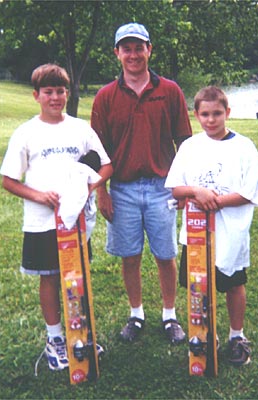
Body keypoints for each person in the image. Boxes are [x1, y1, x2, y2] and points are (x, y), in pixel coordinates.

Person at [0, 64, 113, 371]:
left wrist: (90, 188)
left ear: (68, 93)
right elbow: (9, 180)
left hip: (75, 223)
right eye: (48, 92)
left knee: (77, 277)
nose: (55, 97)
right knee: (50, 278)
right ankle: (55, 340)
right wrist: (41, 197)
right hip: (42, 222)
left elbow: (106, 166)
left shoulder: (81, 129)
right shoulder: (26, 132)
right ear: (36, 95)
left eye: (60, 91)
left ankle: (81, 334)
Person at [91, 23, 192, 344]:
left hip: (163, 186)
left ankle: (169, 315)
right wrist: (101, 191)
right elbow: (96, 152)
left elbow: (185, 143)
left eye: (139, 47)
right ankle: (136, 314)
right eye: (126, 48)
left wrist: (184, 188)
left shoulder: (170, 91)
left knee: (165, 255)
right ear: (117, 53)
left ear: (149, 49)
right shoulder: (105, 97)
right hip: (122, 189)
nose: (133, 54)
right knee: (130, 256)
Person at [165, 86, 258, 365]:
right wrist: (197, 192)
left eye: (217, 113)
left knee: (233, 284)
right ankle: (205, 332)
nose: (211, 120)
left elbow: (250, 192)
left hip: (230, 232)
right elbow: (175, 188)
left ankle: (237, 335)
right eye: (205, 114)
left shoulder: (244, 147)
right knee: (199, 285)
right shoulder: (190, 147)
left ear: (227, 113)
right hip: (196, 233)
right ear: (195, 115)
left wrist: (216, 201)